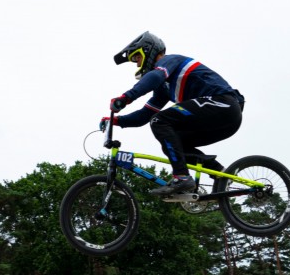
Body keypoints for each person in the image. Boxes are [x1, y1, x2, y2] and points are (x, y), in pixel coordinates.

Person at [101, 31, 244, 196]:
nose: (137, 64)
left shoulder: (170, 60)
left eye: (137, 58)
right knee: (172, 143)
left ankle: (182, 178)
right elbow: (144, 115)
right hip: (223, 120)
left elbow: (155, 76)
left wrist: (126, 98)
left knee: (159, 121)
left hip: (223, 103)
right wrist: (116, 121)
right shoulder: (164, 88)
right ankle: (219, 173)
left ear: (148, 51)